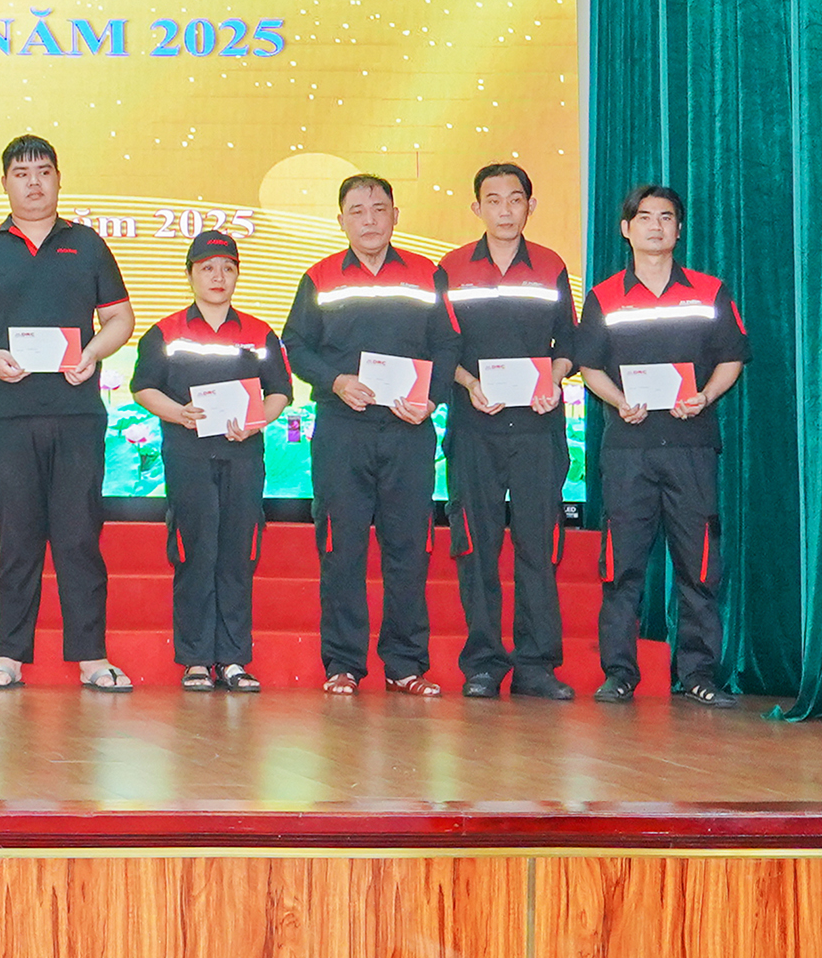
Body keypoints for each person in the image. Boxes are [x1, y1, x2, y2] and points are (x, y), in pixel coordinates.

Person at [0, 135, 136, 692]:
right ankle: (8, 655)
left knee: (79, 537)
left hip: (77, 414)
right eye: (22, 173)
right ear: (5, 182)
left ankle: (92, 657)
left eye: (44, 171)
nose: (34, 182)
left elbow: (120, 318)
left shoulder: (88, 244)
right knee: (17, 538)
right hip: (8, 416)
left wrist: (93, 352)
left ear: (58, 179)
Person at [282, 174, 459, 697]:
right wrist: (336, 381)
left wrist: (432, 399)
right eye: (357, 211)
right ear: (341, 220)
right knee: (343, 549)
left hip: (408, 428)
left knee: (408, 549)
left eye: (379, 209)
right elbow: (296, 345)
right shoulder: (320, 277)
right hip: (344, 428)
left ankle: (405, 664)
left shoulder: (427, 274)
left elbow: (448, 344)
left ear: (395, 216)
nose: (369, 220)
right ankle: (343, 664)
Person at [574, 185, 749, 709]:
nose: (656, 226)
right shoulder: (604, 296)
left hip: (692, 446)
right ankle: (619, 673)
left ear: (679, 228)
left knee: (698, 565)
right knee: (621, 566)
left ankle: (698, 674)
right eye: (645, 217)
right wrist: (618, 399)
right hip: (628, 449)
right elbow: (589, 366)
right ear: (626, 229)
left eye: (666, 217)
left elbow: (732, 357)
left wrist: (705, 396)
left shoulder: (709, 291)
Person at [437, 163, 578, 701]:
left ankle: (536, 666)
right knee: (477, 547)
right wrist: (469, 383)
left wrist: (554, 378)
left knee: (537, 546)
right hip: (475, 425)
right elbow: (440, 346)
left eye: (515, 199)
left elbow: (569, 342)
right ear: (477, 208)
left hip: (538, 428)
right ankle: (483, 665)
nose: (504, 210)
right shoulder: (451, 268)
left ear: (530, 206)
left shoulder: (551, 265)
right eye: (493, 200)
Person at [130, 230, 292, 692]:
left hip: (243, 457)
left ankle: (235, 659)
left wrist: (258, 421)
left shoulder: (260, 333)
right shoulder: (166, 333)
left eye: (227, 268)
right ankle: (197, 659)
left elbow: (280, 390)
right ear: (190, 275)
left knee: (238, 555)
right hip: (189, 456)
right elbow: (143, 388)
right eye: (207, 268)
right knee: (194, 554)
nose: (218, 276)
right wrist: (178, 413)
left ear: (237, 275)